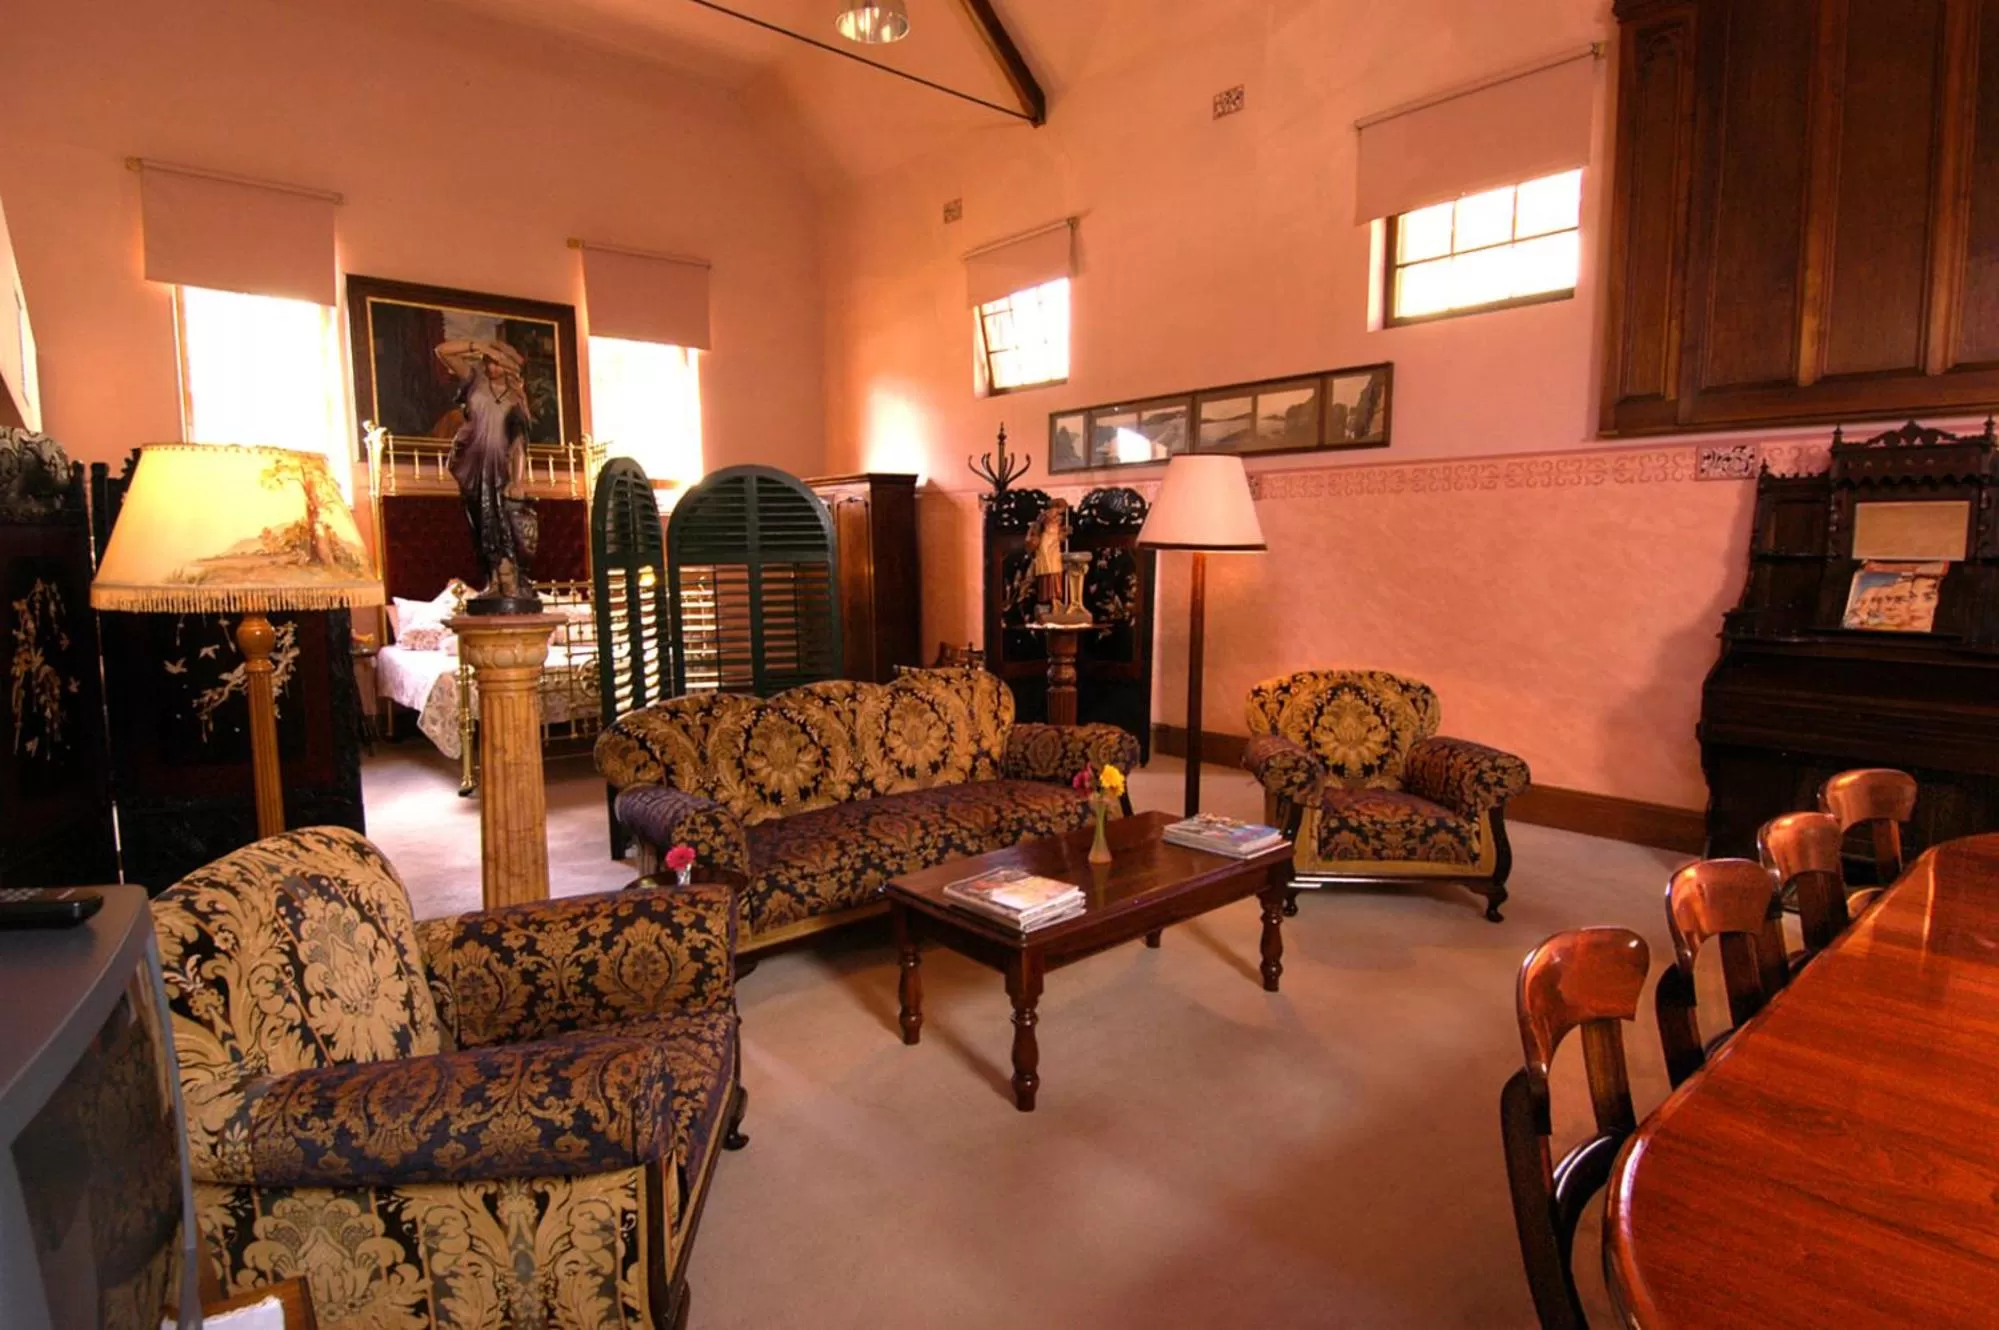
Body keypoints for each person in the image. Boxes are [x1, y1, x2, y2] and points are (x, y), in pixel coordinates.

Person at [436, 337, 534, 603]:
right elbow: (443, 351)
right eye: (489, 362)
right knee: (480, 524)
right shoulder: (474, 381)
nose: (492, 368)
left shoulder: (515, 401)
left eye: (498, 363)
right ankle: (492, 580)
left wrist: (517, 479)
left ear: (509, 367)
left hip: (500, 470)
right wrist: (478, 346)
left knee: (502, 524)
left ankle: (509, 579)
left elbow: (517, 446)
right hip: (471, 466)